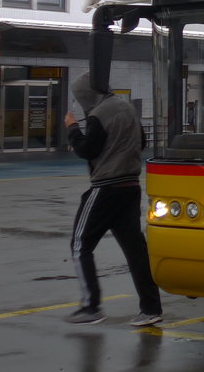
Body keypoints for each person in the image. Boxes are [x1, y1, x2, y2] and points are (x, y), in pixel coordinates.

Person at [62, 72, 162, 326]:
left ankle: (91, 306)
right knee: (135, 250)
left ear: (85, 95)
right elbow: (142, 140)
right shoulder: (126, 108)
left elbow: (87, 150)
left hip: (106, 187)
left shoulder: (98, 115)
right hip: (130, 185)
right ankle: (151, 308)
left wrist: (73, 128)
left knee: (79, 244)